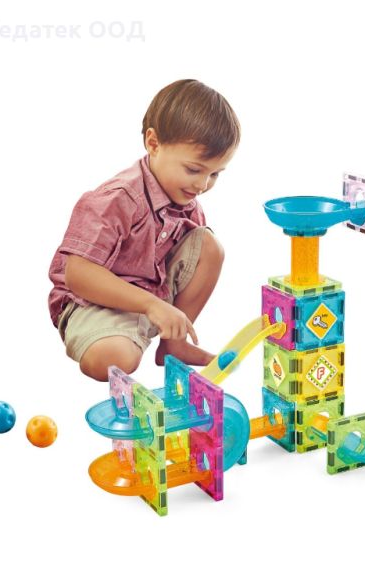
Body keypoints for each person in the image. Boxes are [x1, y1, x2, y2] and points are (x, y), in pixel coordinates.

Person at [48, 79, 240, 382]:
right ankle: (119, 338)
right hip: (92, 303)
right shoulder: (117, 198)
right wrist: (151, 305)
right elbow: (78, 274)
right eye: (193, 169)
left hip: (151, 299)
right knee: (114, 360)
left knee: (209, 246)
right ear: (153, 143)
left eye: (215, 174)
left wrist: (157, 306)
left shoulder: (187, 202)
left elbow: (193, 260)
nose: (203, 185)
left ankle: (173, 344)